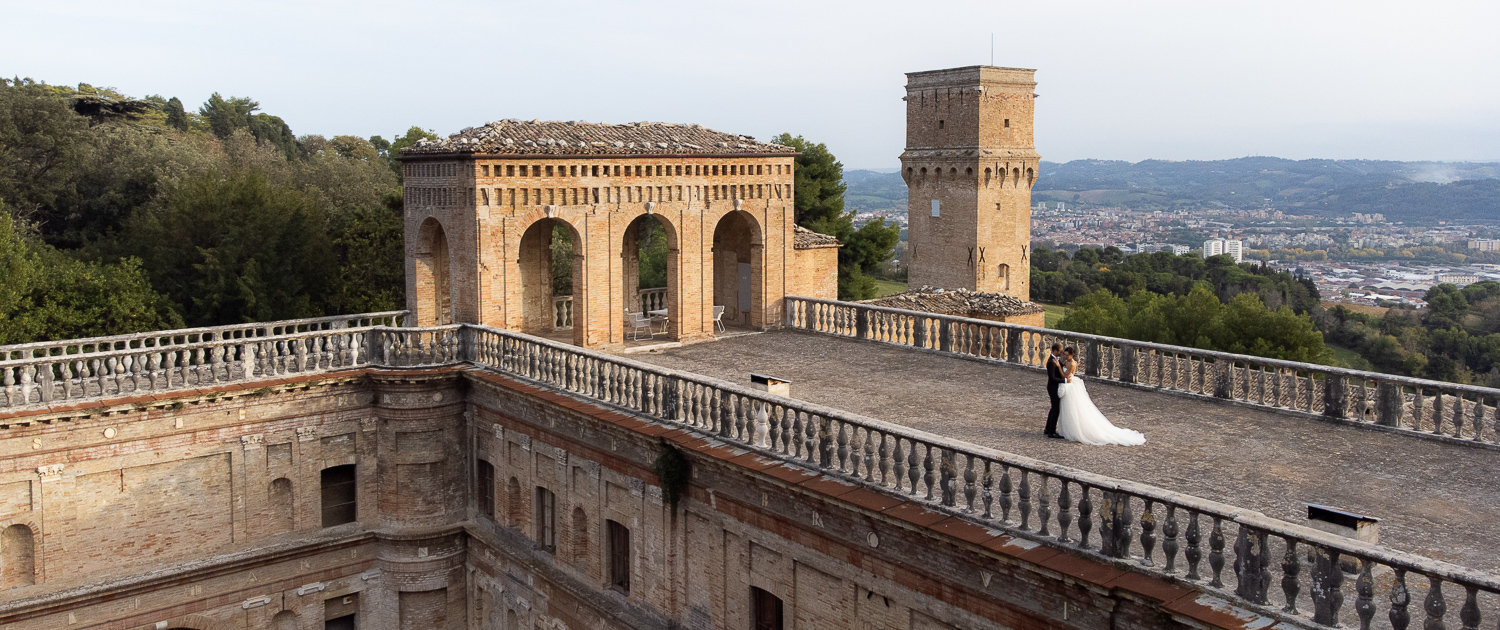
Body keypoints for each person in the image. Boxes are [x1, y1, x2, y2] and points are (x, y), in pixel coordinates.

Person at [1055, 347, 1146, 446]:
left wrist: (1058, 367)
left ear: (1072, 355)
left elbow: (1065, 375)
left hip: (1070, 385)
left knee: (1073, 408)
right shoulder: (1068, 362)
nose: (1065, 356)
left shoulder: (1072, 363)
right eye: (1065, 355)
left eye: (1067, 355)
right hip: (1068, 384)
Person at [1043, 343, 1065, 439]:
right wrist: (1064, 381)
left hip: (1054, 387)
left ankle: (1048, 428)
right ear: (1055, 351)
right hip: (1053, 387)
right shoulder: (1051, 362)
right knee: (1056, 409)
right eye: (1060, 351)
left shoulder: (1056, 360)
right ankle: (1051, 431)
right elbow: (1052, 378)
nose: (1061, 353)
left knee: (1053, 408)